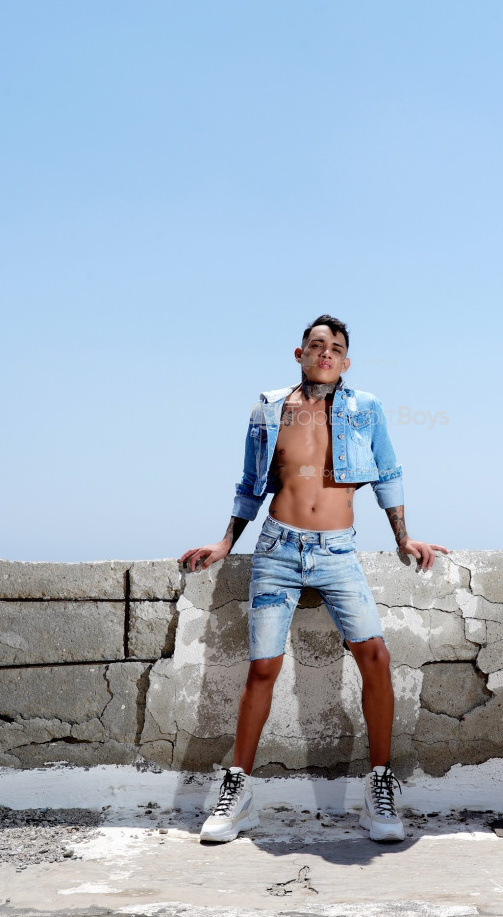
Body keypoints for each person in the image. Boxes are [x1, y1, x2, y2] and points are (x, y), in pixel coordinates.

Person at [179, 314, 448, 844]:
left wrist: (403, 537)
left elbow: (388, 473)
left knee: (376, 656)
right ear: (299, 353)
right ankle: (238, 792)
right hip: (277, 549)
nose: (326, 352)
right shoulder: (268, 409)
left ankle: (379, 785)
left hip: (338, 552)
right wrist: (225, 543)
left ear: (346, 361)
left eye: (336, 347)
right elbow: (250, 483)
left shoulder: (366, 408)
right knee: (263, 668)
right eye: (317, 344)